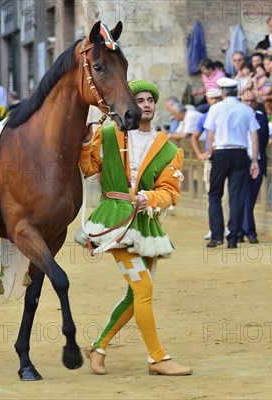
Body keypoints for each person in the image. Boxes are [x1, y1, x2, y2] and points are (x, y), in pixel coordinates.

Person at [76, 79, 192, 377]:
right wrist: (86, 141)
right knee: (143, 289)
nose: (146, 104)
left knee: (136, 293)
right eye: (139, 100)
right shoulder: (108, 134)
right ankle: (157, 357)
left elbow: (170, 191)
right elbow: (89, 169)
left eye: (150, 100)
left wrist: (150, 198)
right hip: (115, 220)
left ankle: (98, 347)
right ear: (130, 104)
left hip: (146, 224)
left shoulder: (167, 147)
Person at [204, 78, 260, 249]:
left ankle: (217, 235)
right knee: (237, 197)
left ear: (222, 92)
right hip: (240, 153)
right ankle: (233, 237)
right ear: (237, 91)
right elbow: (254, 137)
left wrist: (212, 154)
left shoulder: (215, 108)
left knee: (214, 194)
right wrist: (254, 160)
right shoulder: (246, 110)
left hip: (221, 152)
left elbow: (210, 135)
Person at [238, 89, 270, 243]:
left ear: (256, 103)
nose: (249, 104)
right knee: (244, 197)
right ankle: (250, 232)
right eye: (246, 101)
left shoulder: (262, 118)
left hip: (258, 161)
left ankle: (239, 230)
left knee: (250, 199)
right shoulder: (236, 118)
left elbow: (264, 140)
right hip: (242, 162)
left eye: (252, 101)